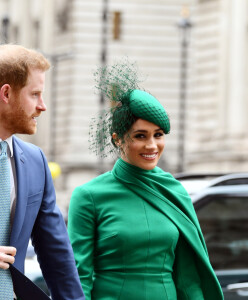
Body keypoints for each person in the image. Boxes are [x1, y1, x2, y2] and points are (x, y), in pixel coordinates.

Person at [68, 61, 224, 300]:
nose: (152, 145)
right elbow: (80, 276)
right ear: (118, 139)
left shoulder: (174, 190)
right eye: (140, 136)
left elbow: (187, 276)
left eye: (158, 135)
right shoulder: (88, 195)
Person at [0, 44, 84, 299]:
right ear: (6, 93)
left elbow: (56, 252)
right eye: (35, 94)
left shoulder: (36, 161)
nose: (43, 106)